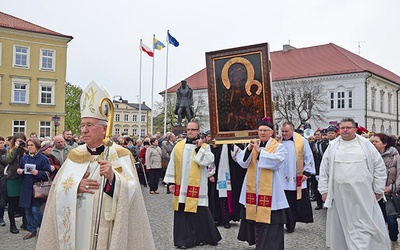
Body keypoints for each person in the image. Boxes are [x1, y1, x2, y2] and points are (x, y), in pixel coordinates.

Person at [36, 81, 155, 249]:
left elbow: (132, 192)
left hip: (107, 227)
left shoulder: (120, 154)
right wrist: (75, 186)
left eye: (89, 125)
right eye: (82, 125)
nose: (83, 130)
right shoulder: (74, 156)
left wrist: (113, 178)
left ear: (104, 128)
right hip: (76, 225)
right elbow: (57, 188)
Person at [318, 117, 390, 250]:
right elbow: (324, 169)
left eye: (348, 128)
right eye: (342, 128)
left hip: (363, 193)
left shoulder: (366, 145)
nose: (345, 130)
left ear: (355, 129)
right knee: (343, 225)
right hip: (340, 195)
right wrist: (324, 190)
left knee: (365, 225)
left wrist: (378, 189)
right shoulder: (333, 146)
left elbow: (379, 166)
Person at [164, 120, 221, 249]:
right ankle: (182, 241)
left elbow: (207, 161)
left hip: (198, 187)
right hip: (181, 186)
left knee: (200, 212)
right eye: (188, 129)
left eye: (193, 129)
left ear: (198, 131)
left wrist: (200, 148)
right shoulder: (178, 146)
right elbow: (172, 164)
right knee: (182, 213)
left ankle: (202, 237)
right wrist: (171, 182)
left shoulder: (205, 147)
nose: (190, 131)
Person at [235, 118, 288, 249]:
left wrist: (259, 152)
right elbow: (242, 163)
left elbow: (276, 162)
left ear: (272, 132)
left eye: (265, 130)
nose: (262, 133)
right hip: (253, 189)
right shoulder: (254, 145)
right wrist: (248, 148)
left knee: (271, 220)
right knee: (254, 218)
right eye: (260, 130)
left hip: (271, 190)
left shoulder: (279, 147)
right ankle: (257, 243)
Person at [280, 121, 315, 233]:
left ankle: (291, 223)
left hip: (296, 176)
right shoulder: (277, 141)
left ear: (292, 130)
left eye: (286, 131)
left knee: (294, 202)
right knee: (283, 201)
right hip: (281, 177)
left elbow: (308, 157)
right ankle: (283, 221)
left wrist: (307, 173)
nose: (284, 133)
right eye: (282, 131)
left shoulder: (302, 141)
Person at [16, 138, 51, 240]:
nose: (29, 147)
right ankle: (32, 230)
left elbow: (48, 173)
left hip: (37, 187)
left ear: (37, 146)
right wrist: (19, 171)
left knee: (35, 209)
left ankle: (43, 228)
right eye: (28, 145)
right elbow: (21, 170)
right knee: (27, 209)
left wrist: (38, 173)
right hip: (26, 187)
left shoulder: (43, 159)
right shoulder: (24, 158)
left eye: (31, 145)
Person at [373, 133, 400, 249]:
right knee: (376, 221)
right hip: (374, 194)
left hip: (389, 194)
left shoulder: (395, 156)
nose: (373, 144)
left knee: (391, 221)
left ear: (384, 144)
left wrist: (391, 188)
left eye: (376, 142)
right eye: (372, 142)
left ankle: (394, 240)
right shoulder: (371, 156)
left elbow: (399, 174)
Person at [4, 133, 27, 234]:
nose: (20, 142)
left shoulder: (26, 150)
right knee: (12, 202)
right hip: (12, 178)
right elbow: (8, 160)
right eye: (18, 140)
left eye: (21, 140)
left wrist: (25, 148)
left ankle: (25, 222)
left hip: (23, 178)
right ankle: (12, 225)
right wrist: (16, 148)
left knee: (24, 202)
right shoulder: (10, 149)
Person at [0, 136, 7, 226]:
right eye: (0, 143)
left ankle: (1, 217)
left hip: (3, 177)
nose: (1, 145)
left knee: (2, 199)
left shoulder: (7, 153)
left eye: (2, 143)